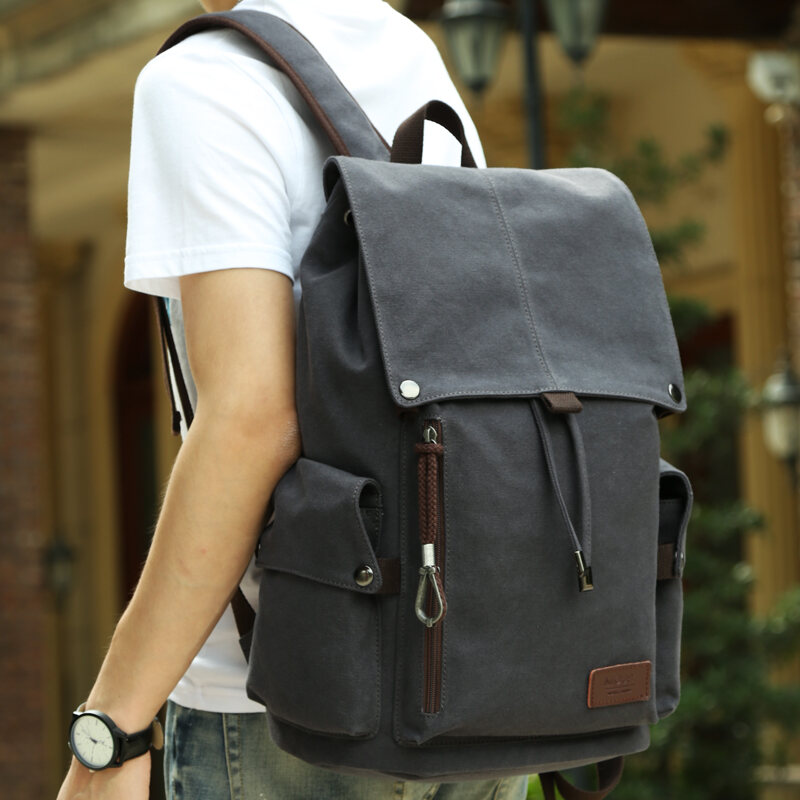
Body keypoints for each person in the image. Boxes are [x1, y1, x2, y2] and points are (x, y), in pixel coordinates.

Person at [57, 0, 529, 798]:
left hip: (286, 706)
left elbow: (252, 419)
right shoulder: (403, 46)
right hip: (463, 679)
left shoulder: (199, 78)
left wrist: (112, 730)